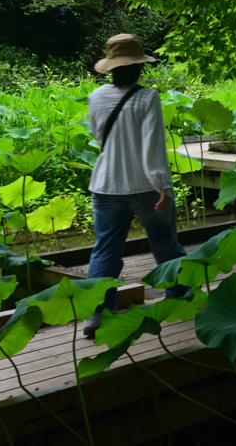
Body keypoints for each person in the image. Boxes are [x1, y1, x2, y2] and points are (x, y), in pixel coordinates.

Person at [83, 34, 189, 339]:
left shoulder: (97, 97)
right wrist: (163, 187)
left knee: (105, 251)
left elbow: (100, 138)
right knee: (165, 244)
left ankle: (96, 315)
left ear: (111, 68)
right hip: (145, 187)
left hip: (105, 185)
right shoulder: (147, 98)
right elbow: (152, 149)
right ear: (139, 67)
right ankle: (178, 296)